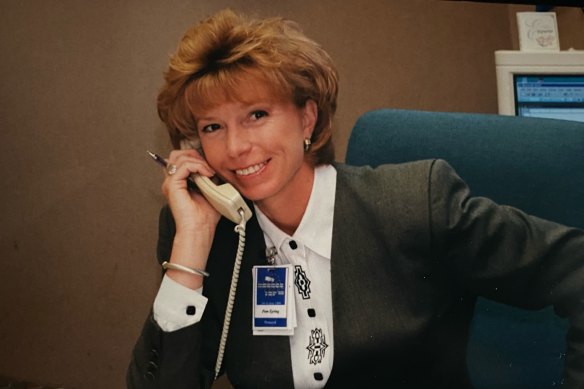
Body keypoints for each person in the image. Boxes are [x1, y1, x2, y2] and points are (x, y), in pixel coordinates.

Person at [127, 9, 584, 389]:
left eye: (257, 114)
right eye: (212, 127)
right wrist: (191, 245)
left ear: (307, 118)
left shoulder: (414, 205)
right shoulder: (211, 235)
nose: (235, 147)